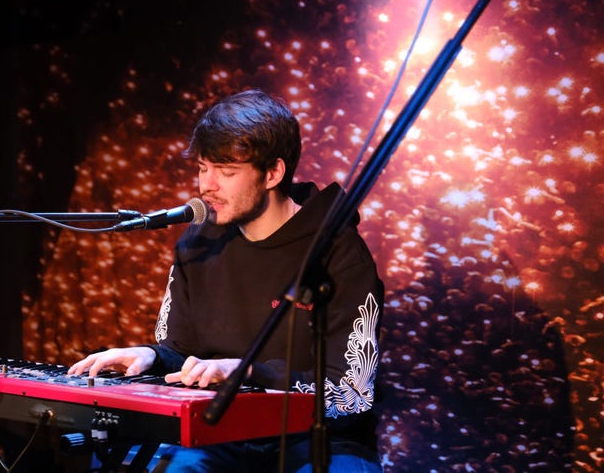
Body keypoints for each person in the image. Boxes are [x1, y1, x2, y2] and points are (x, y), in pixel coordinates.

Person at [69, 89, 385, 472]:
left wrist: (247, 371)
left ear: (273, 173)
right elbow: (179, 353)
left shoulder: (339, 252)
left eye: (226, 171)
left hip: (317, 439)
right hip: (220, 432)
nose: (207, 185)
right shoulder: (197, 242)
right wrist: (150, 356)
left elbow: (350, 394)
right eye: (203, 167)